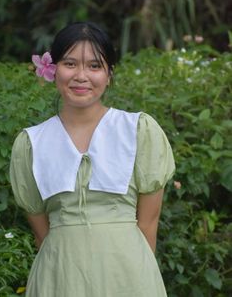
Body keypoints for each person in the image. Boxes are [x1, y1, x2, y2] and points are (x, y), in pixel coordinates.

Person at [10, 21, 175, 297]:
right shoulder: (31, 143)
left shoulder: (137, 130)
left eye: (95, 66)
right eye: (70, 64)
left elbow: (148, 223)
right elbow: (43, 234)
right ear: (53, 71)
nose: (81, 76)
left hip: (129, 277)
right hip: (59, 277)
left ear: (109, 74)